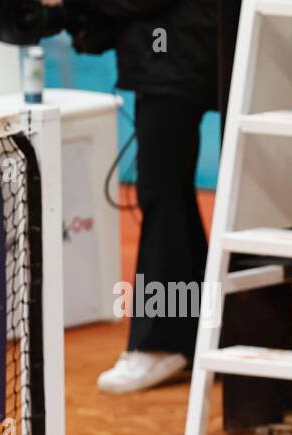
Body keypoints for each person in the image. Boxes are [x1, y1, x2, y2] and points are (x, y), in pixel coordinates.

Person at [75, 0, 219, 393]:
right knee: (169, 192)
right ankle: (202, 333)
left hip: (185, 50)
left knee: (162, 192)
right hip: (177, 51)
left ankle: (162, 342)